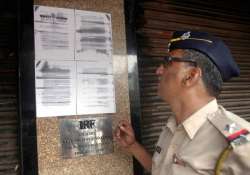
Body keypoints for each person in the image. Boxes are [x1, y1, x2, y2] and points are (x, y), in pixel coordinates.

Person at [114, 31, 250, 175]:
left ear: (190, 76)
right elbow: (160, 170)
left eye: (167, 62)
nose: (158, 70)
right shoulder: (173, 126)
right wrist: (133, 146)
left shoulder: (239, 141)